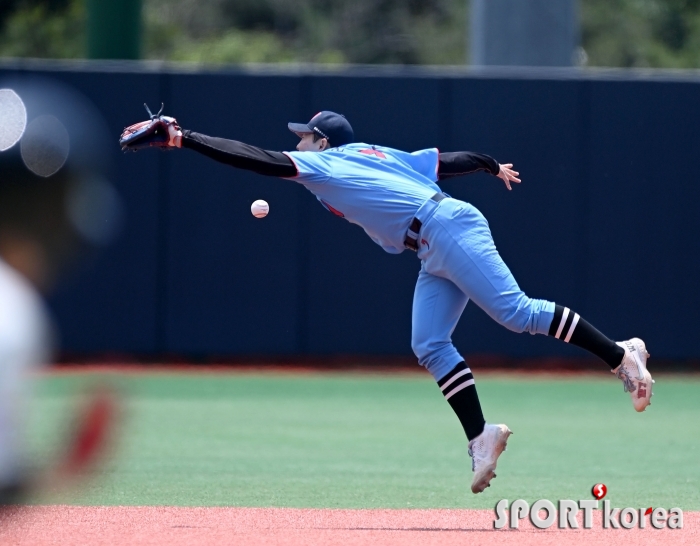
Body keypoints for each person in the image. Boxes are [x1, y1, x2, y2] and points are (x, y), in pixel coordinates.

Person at [121, 110, 654, 494]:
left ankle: (620, 355)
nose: (298, 144)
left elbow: (259, 161)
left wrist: (183, 137)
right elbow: (446, 160)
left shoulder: (327, 167)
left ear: (323, 143)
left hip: (446, 229)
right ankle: (481, 436)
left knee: (516, 314)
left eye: (304, 137)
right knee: (428, 342)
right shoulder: (372, 154)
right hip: (431, 243)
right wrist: (490, 165)